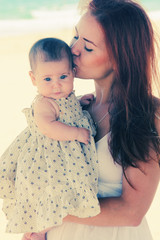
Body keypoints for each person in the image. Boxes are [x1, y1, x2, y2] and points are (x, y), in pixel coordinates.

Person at [21, 0, 160, 239]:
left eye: (88, 47)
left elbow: (131, 211)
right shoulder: (73, 109)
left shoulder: (148, 113)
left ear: (119, 58)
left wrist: (52, 209)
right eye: (76, 36)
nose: (73, 49)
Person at [0, 37, 101, 235]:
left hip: (65, 155)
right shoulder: (44, 104)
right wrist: (76, 133)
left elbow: (66, 111)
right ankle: (40, 231)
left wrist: (79, 102)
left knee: (69, 191)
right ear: (33, 79)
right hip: (49, 158)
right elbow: (48, 126)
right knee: (54, 192)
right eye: (47, 79)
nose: (56, 85)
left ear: (73, 73)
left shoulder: (64, 98)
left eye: (63, 77)